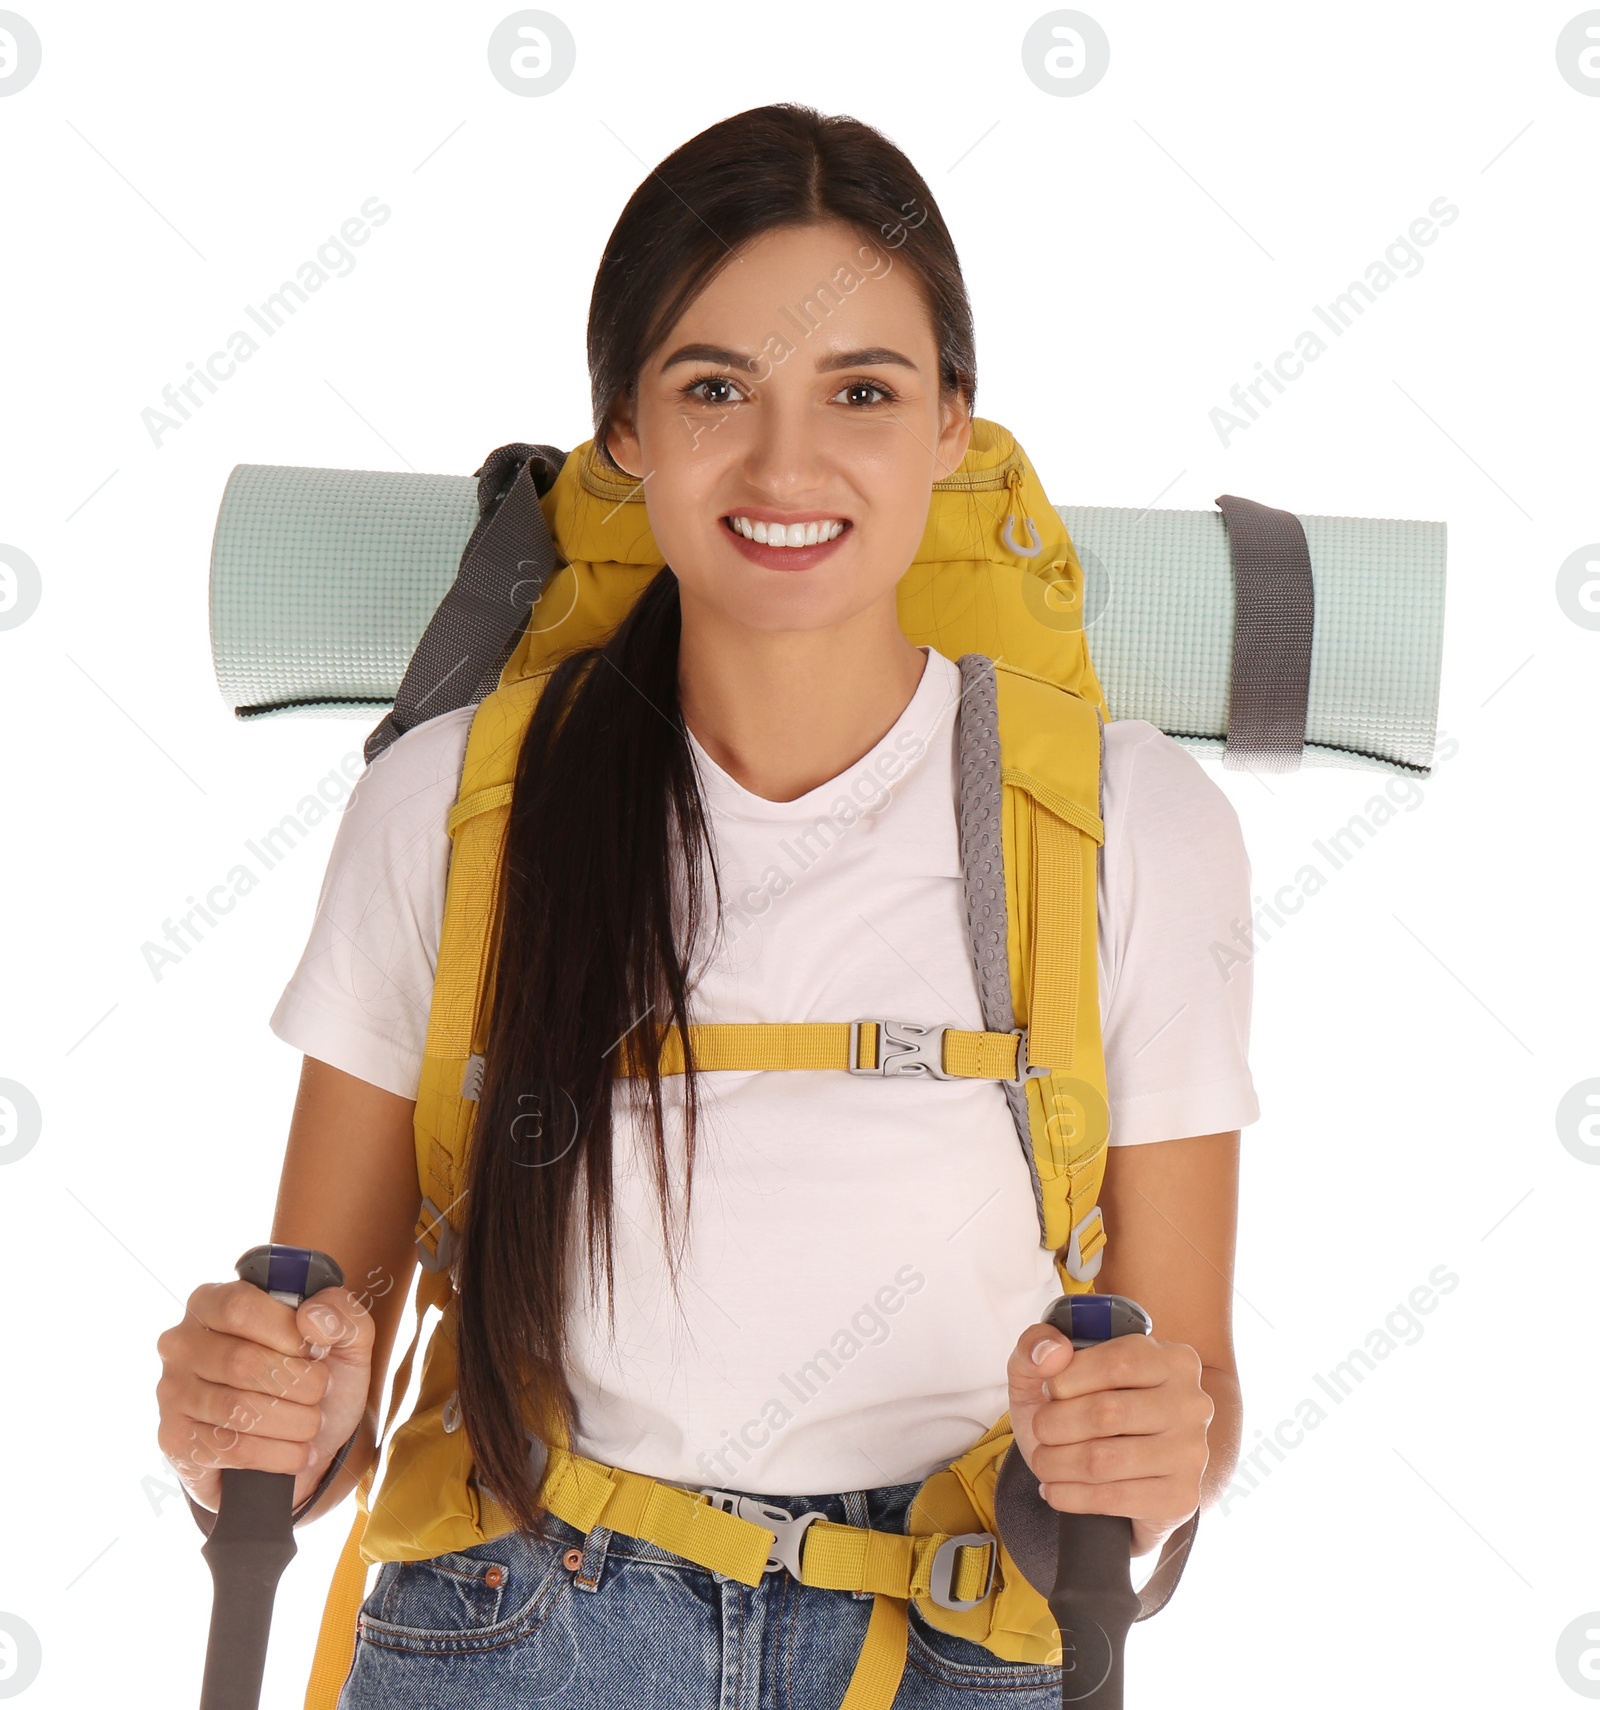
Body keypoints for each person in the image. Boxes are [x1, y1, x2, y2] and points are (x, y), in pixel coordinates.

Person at [155, 101, 1257, 1707]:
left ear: (953, 423)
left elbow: (1195, 1389)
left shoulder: (1123, 824)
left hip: (949, 1637)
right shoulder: (456, 809)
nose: (787, 463)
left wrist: (1164, 1438)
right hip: (516, 1628)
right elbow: (329, 1354)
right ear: (625, 429)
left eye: (862, 391)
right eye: (715, 388)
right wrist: (256, 1414)